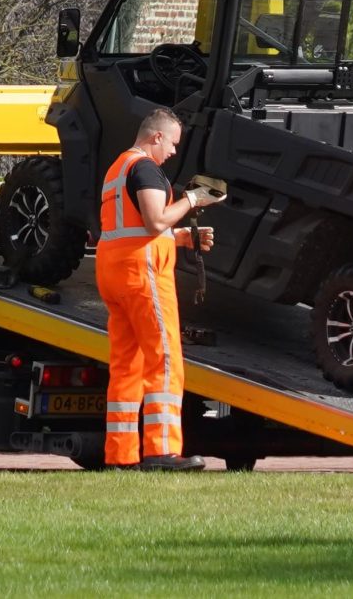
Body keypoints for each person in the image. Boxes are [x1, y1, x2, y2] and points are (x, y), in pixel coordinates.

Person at [96, 108, 221, 472]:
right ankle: (162, 451)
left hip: (114, 271)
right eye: (172, 144)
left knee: (125, 364)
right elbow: (154, 221)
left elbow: (132, 226)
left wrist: (182, 238)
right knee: (164, 359)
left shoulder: (117, 168)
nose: (173, 152)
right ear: (156, 137)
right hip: (142, 273)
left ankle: (121, 456)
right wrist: (194, 200)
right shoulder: (145, 168)